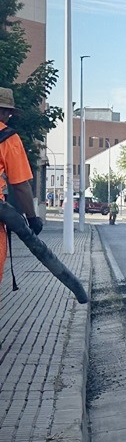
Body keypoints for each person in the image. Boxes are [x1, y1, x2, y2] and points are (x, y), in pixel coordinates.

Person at [0, 87, 43, 294]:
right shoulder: (7, 138)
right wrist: (33, 218)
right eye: (7, 113)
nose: (8, 117)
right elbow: (20, 184)